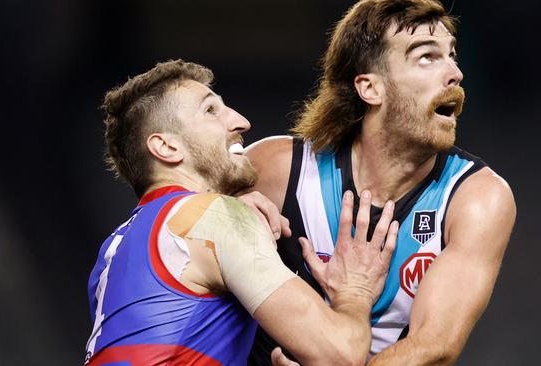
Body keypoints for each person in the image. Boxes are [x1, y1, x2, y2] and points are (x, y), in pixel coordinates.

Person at [246, 0, 517, 365]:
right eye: (426, 57)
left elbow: (434, 347)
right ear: (370, 88)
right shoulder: (276, 169)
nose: (455, 73)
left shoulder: (477, 198)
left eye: (452, 56)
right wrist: (212, 210)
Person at [83, 59, 400, 366]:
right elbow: (339, 354)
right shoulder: (216, 216)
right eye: (210, 110)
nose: (240, 122)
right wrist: (355, 292)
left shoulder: (113, 251)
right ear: (166, 147)